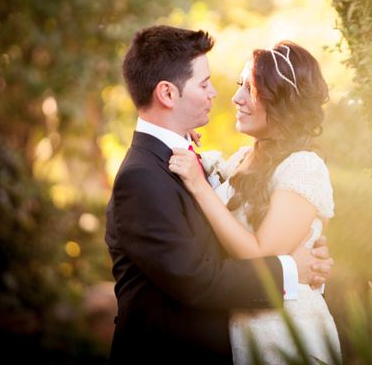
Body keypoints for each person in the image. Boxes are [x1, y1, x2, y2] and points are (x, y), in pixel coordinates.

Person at [104, 26, 334, 364]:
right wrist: (290, 271)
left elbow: (240, 239)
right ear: (167, 94)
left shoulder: (186, 161)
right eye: (203, 83)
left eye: (249, 89)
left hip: (276, 336)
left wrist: (304, 254)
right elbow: (196, 278)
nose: (222, 94)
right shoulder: (143, 176)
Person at [169, 41, 342, 364]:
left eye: (250, 89)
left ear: (283, 102)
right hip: (244, 327)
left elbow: (261, 255)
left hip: (287, 332)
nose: (237, 99)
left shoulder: (304, 166)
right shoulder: (241, 160)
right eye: (240, 86)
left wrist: (199, 187)